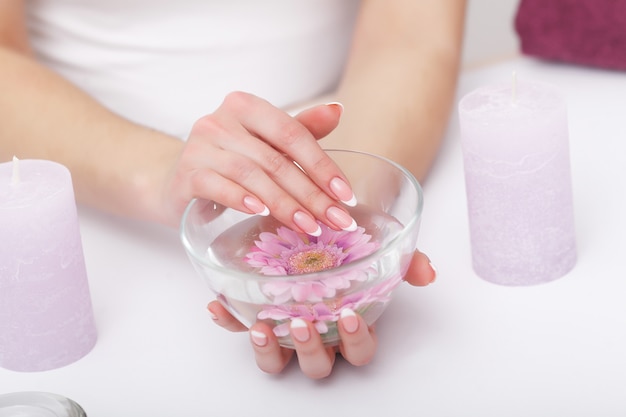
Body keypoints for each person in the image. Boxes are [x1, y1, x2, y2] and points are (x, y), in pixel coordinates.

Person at [0, 0, 466, 379]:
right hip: (89, 199)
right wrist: (169, 176)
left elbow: (412, 33)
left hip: (353, 136)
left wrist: (340, 209)